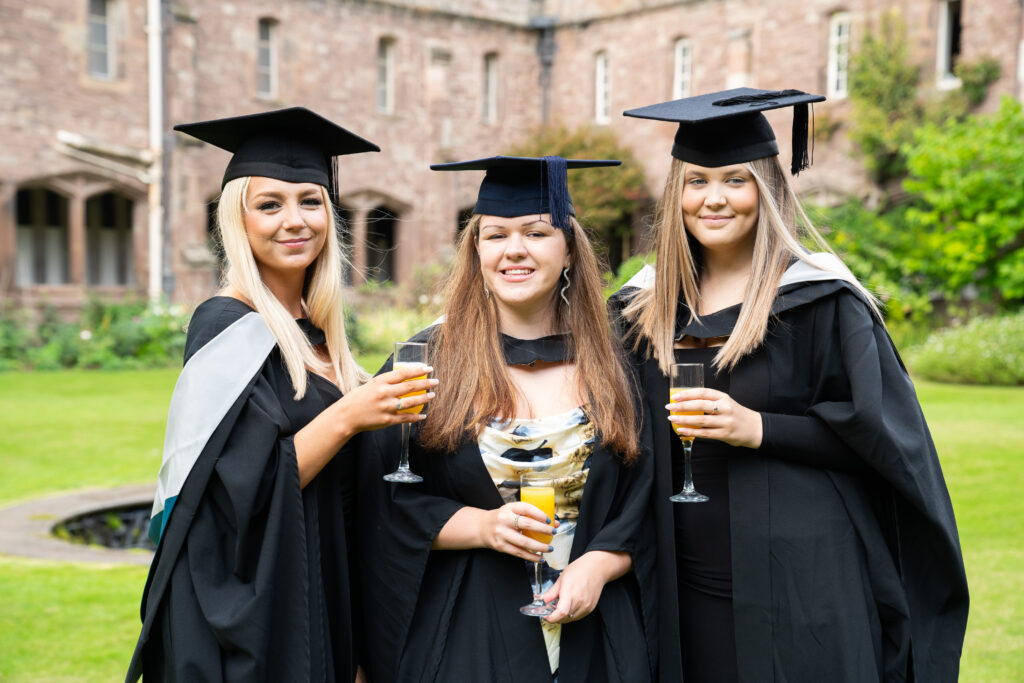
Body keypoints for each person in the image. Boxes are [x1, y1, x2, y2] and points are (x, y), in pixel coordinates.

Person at [612, 88, 969, 682]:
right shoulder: (642, 308)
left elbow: (885, 443)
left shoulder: (821, 300)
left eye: (735, 179)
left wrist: (758, 428)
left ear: (766, 189)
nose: (714, 199)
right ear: (676, 194)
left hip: (801, 584)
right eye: (696, 181)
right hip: (678, 583)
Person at [126, 107, 436, 682]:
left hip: (324, 596)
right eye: (269, 204)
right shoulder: (226, 327)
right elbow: (237, 493)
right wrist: (348, 417)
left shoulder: (315, 336)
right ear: (237, 221)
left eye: (310, 201)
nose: (294, 220)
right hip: (262, 618)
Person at [356, 156, 657, 682]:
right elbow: (376, 497)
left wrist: (600, 563)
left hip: (600, 632)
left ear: (568, 250)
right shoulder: (429, 361)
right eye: (495, 235)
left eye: (536, 233)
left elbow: (652, 496)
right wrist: (483, 525)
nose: (514, 249)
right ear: (476, 252)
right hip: (470, 634)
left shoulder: (620, 360)